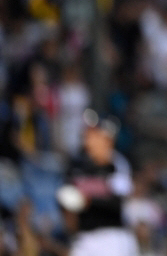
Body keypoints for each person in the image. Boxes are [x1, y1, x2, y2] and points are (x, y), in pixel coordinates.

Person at [57, 109, 139, 256]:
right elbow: (65, 195)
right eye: (88, 134)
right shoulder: (77, 164)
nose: (88, 138)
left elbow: (118, 201)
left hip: (113, 237)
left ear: (107, 139)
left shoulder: (118, 164)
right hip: (84, 238)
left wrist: (89, 199)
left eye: (94, 135)